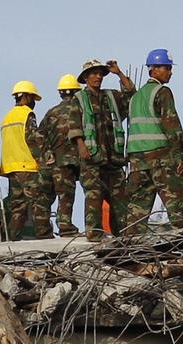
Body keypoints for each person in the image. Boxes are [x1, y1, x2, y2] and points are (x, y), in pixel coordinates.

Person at [122, 49, 183, 229]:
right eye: (166, 68)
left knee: (136, 212)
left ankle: (130, 250)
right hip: (160, 158)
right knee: (176, 206)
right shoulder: (162, 92)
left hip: (137, 161)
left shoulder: (135, 97)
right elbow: (172, 126)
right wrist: (179, 156)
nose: (170, 72)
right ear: (153, 69)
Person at [76, 58, 133, 238]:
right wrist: (81, 147)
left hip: (113, 160)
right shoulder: (79, 99)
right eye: (94, 73)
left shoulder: (111, 96)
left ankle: (122, 236)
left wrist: (119, 73)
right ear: (86, 77)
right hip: (92, 160)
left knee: (120, 201)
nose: (98, 76)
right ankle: (94, 235)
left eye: (100, 73)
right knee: (94, 197)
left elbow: (131, 93)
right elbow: (74, 126)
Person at [0, 82, 53, 240]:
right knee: (39, 202)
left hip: (11, 168)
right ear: (26, 96)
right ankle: (44, 235)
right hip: (27, 167)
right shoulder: (27, 114)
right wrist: (42, 160)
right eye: (32, 97)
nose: (33, 101)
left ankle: (12, 238)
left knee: (18, 207)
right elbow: (32, 140)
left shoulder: (6, 117)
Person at [42, 75, 86, 237]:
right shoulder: (81, 110)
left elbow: (40, 136)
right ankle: (82, 226)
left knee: (64, 194)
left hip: (58, 161)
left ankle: (64, 225)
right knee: (92, 192)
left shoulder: (51, 113)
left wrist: (48, 154)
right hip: (82, 158)